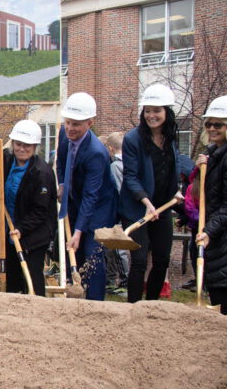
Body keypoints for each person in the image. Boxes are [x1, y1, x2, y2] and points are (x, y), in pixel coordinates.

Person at [119, 85, 183, 303]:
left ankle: (152, 305)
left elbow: (169, 169)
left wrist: (177, 192)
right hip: (138, 207)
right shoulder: (132, 139)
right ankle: (134, 306)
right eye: (147, 110)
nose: (151, 115)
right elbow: (131, 177)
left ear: (167, 112)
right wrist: (146, 202)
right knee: (138, 260)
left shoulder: (171, 138)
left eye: (156, 110)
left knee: (162, 260)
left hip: (163, 207)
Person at [56, 92, 117, 301]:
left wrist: (79, 231)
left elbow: (92, 196)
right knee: (74, 252)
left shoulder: (97, 153)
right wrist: (62, 184)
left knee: (92, 254)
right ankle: (75, 297)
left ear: (90, 122)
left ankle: (94, 303)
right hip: (74, 201)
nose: (70, 128)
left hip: (99, 207)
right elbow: (60, 161)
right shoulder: (64, 133)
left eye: (77, 124)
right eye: (68, 122)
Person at [0, 120, 57, 296]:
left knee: (31, 275)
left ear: (35, 146)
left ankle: (36, 308)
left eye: (27, 145)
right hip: (11, 227)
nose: (22, 149)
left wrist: (22, 229)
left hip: (34, 233)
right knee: (12, 274)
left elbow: (41, 210)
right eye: (18, 144)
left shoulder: (42, 173)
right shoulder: (6, 159)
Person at [195, 95, 227, 314]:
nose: (212, 128)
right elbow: (200, 195)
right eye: (209, 124)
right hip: (216, 237)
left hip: (222, 237)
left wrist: (209, 232)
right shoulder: (213, 153)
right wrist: (199, 171)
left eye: (219, 124)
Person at [103, 131, 129, 297]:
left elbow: (117, 190)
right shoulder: (129, 163)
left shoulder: (115, 167)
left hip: (118, 213)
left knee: (118, 249)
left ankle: (125, 283)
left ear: (110, 148)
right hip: (124, 212)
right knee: (114, 248)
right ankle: (112, 281)